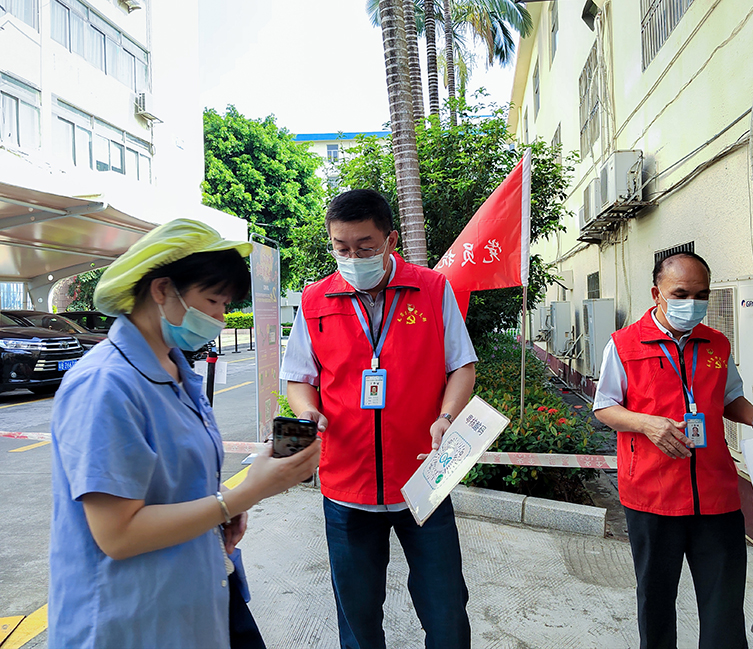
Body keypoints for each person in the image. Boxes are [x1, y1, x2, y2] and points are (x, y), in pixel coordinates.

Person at [48, 219, 320, 649]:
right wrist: (242, 496)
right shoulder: (105, 385)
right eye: (213, 301)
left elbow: (172, 478)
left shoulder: (175, 369)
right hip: (129, 622)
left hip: (189, 600)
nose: (220, 317)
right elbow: (117, 534)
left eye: (225, 304)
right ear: (162, 290)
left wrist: (220, 506)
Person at [281, 189, 477, 649]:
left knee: (446, 610)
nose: (352, 258)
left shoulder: (432, 289)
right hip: (346, 484)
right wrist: (307, 412)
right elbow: (298, 378)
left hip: (424, 478)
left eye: (365, 247)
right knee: (357, 616)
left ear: (390, 240)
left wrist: (447, 416)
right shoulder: (315, 300)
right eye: (341, 248)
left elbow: (462, 365)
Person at [593, 252, 753, 649]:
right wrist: (647, 423)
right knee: (655, 604)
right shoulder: (624, 344)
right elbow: (604, 407)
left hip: (716, 495)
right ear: (657, 294)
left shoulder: (717, 343)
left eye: (701, 294)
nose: (693, 303)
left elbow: (730, 397)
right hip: (652, 497)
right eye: (681, 294)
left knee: (724, 607)